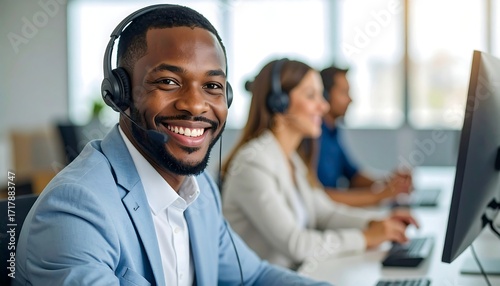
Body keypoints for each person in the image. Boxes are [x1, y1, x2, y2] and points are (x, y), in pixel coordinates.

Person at [14, 5, 331, 286]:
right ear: (120, 94)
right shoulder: (76, 209)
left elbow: (254, 276)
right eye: (168, 81)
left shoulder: (200, 191)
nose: (195, 105)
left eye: (212, 86)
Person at [221, 58, 419, 270]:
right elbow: (297, 244)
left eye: (322, 95)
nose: (323, 106)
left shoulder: (291, 159)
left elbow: (326, 213)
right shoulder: (253, 163)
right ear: (279, 103)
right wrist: (365, 237)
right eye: (311, 95)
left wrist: (377, 221)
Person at [316, 66, 413, 207]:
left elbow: (353, 176)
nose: (350, 100)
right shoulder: (313, 137)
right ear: (325, 96)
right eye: (344, 93)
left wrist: (388, 181)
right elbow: (319, 198)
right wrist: (381, 195)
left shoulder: (333, 131)